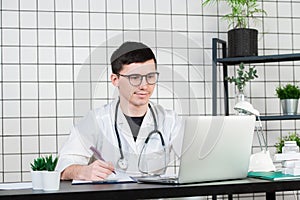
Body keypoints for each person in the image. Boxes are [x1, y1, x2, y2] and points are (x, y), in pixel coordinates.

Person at [57, 41, 183, 181]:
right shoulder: (97, 120)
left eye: (150, 77)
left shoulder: (169, 120)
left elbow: (195, 160)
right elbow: (64, 165)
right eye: (135, 78)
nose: (144, 85)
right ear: (115, 80)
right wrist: (83, 171)